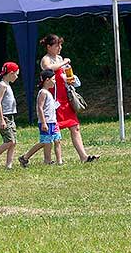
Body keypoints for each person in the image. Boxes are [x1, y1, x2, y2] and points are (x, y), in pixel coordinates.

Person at [40, 34, 99, 163]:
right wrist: (64, 62)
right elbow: (49, 68)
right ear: (49, 47)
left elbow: (63, 76)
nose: (60, 47)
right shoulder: (46, 59)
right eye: (57, 45)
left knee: (75, 127)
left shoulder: (59, 58)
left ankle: (84, 157)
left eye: (60, 45)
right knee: (50, 134)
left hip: (65, 99)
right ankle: (28, 157)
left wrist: (70, 79)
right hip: (52, 101)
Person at [18, 69, 63, 167]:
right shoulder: (43, 92)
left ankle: (59, 161)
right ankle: (26, 157)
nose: (55, 81)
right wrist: (43, 122)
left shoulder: (48, 92)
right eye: (53, 79)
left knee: (57, 140)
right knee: (45, 142)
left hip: (53, 121)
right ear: (47, 80)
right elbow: (40, 107)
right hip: (46, 122)